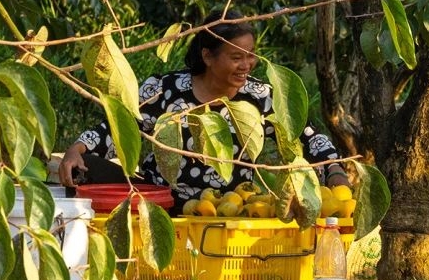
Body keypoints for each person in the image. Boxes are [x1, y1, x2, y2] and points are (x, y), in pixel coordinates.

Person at [58, 12, 349, 207]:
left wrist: (335, 172)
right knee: (87, 173)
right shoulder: (165, 89)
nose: (246, 66)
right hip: (161, 204)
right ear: (208, 56)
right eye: (237, 57)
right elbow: (118, 129)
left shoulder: (261, 96)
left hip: (229, 211)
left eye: (251, 57)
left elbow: (309, 137)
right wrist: (77, 151)